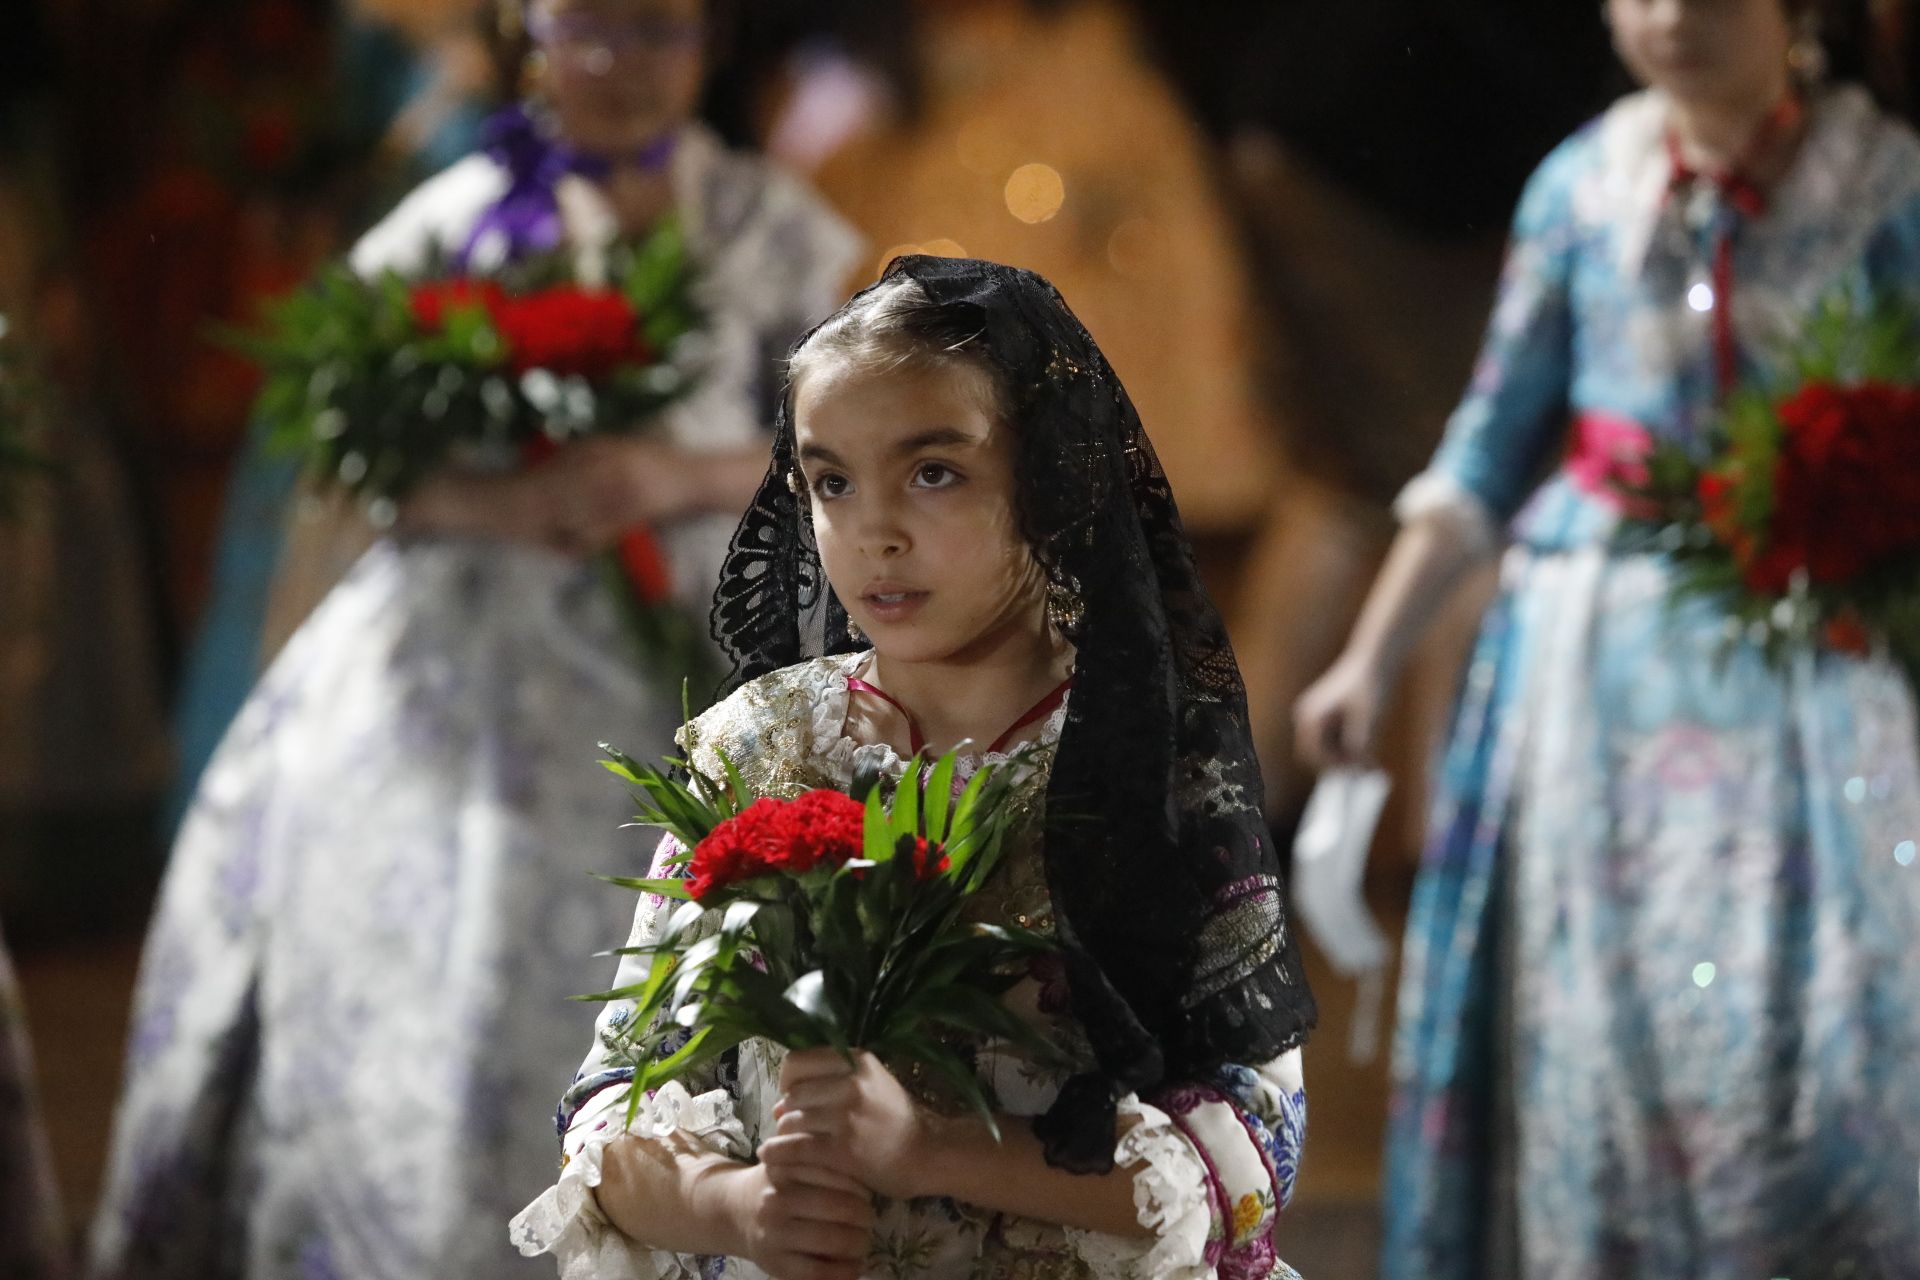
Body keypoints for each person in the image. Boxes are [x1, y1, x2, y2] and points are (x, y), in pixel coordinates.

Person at [88, 1, 860, 1275]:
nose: (619, 64)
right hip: (467, 650)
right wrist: (510, 500)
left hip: (702, 634)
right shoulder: (451, 228)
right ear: (530, 36)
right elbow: (356, 463)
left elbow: (838, 437)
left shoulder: (772, 227)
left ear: (706, 46)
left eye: (655, 31)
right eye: (589, 28)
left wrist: (664, 473)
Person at [510, 255, 1317, 1279]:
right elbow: (612, 1091)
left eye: (935, 471)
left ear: (1051, 478)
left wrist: (933, 1148)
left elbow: (1258, 1148)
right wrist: (740, 1205)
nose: (875, 533)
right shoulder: (756, 747)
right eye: (832, 481)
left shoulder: (1154, 765)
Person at [1293, 1, 1920, 1276]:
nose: (1674, 14)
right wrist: (1370, 649)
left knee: (1809, 1000)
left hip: (1816, 661)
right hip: (1598, 674)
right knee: (1608, 1011)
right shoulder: (1584, 186)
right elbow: (1486, 448)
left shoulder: (1884, 182)